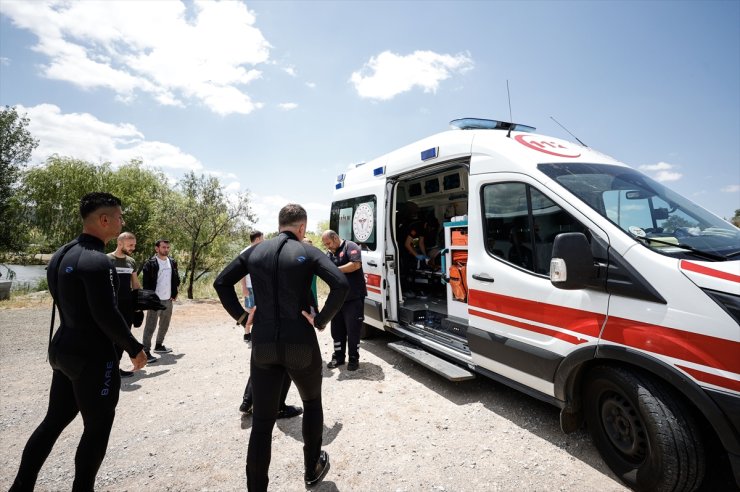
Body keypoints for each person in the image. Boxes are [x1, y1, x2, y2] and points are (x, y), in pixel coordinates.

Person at [10, 192, 148, 492]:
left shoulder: (61, 254)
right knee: (96, 429)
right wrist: (134, 348)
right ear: (103, 219)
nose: (122, 221)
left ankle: (20, 487)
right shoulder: (98, 262)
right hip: (93, 358)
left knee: (53, 422)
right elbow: (105, 314)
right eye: (119, 216)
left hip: (63, 348)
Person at [214, 203, 349, 491]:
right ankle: (312, 468)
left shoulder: (254, 251)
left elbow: (221, 282)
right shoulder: (308, 251)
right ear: (302, 227)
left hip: (263, 344)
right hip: (299, 341)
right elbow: (340, 284)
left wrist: (242, 316)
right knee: (311, 402)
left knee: (262, 422)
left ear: (279, 225)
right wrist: (321, 320)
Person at [237, 231, 303, 420]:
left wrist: (244, 320)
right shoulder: (286, 253)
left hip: (264, 319)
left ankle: (248, 399)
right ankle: (277, 407)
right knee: (284, 365)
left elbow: (222, 282)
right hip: (284, 319)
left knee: (261, 363)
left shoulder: (259, 252)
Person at [321, 229, 367, 371]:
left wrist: (335, 270)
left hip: (354, 298)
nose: (327, 246)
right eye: (325, 244)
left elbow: (355, 265)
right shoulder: (329, 254)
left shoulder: (350, 246)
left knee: (353, 330)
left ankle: (354, 358)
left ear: (335, 238)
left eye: (328, 243)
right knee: (337, 330)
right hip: (338, 300)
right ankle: (338, 357)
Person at [107, 231, 142, 377]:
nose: (133, 247)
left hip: (127, 306)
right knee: (108, 337)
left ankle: (115, 368)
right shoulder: (106, 259)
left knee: (124, 337)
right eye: (130, 244)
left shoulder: (131, 262)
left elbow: (135, 284)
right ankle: (105, 369)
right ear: (119, 243)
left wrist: (139, 304)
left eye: (134, 245)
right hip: (110, 306)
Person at [141, 239, 180, 361]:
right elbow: (146, 284)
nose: (166, 250)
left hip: (168, 299)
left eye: (168, 247)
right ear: (157, 248)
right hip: (155, 301)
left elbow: (176, 279)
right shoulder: (150, 263)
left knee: (165, 324)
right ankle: (146, 351)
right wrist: (148, 299)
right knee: (150, 326)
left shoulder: (172, 262)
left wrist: (174, 292)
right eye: (164, 247)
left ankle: (159, 345)